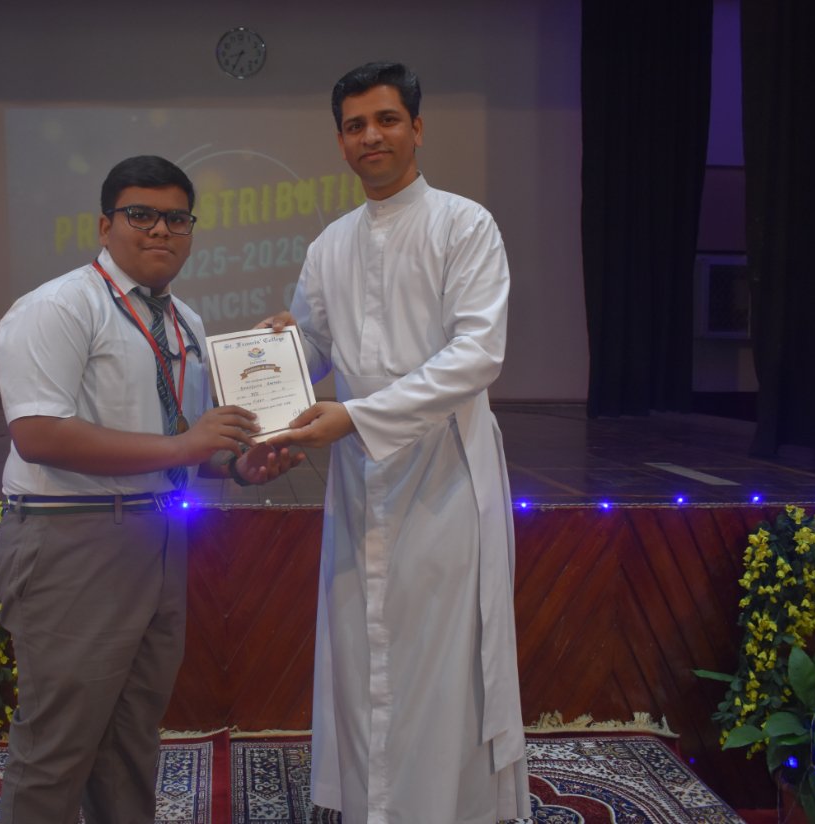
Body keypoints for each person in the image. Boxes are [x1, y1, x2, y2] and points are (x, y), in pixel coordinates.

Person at [0, 154, 301, 824]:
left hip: (158, 536)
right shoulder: (59, 306)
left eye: (177, 219)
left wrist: (237, 466)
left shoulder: (184, 321)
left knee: (131, 740)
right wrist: (185, 447)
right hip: (73, 541)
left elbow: (181, 443)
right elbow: (38, 434)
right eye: (141, 215)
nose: (161, 230)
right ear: (105, 226)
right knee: (56, 748)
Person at [264, 63, 531, 822]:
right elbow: (315, 348)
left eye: (385, 120)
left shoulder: (463, 225)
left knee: (442, 661)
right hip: (360, 479)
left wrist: (357, 416)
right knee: (363, 649)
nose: (370, 136)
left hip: (446, 477)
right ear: (341, 142)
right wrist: (277, 352)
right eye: (355, 126)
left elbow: (477, 355)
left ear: (416, 127)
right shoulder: (330, 245)